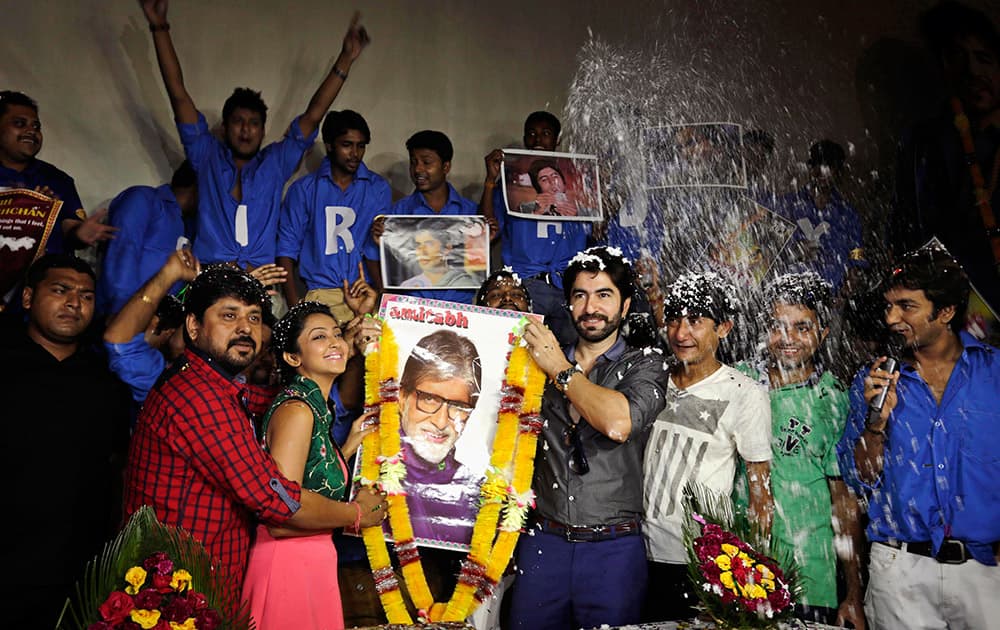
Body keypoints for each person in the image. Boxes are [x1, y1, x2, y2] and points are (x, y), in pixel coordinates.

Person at [123, 265, 387, 602]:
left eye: (254, 317)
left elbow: (295, 394)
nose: (245, 328)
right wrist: (357, 514)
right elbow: (275, 501)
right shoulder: (198, 397)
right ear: (194, 326)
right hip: (176, 594)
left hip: (210, 583)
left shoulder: (227, 390)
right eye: (229, 316)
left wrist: (338, 347)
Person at [837, 246, 1000, 629]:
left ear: (944, 313)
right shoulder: (872, 380)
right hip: (900, 572)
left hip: (986, 573)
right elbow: (858, 478)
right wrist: (876, 423)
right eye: (889, 306)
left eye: (906, 307)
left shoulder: (994, 375)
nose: (891, 318)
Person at [139, 0, 369, 268]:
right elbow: (177, 93)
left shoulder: (276, 162)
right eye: (238, 121)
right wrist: (159, 27)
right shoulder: (207, 155)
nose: (246, 129)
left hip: (261, 283)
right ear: (224, 127)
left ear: (262, 130)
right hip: (211, 280)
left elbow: (314, 113)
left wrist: (345, 60)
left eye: (254, 123)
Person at [509, 246, 668, 629]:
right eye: (580, 295)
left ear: (625, 305)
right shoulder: (533, 362)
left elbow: (618, 423)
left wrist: (560, 370)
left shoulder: (646, 362)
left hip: (614, 549)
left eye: (603, 295)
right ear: (567, 303)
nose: (590, 307)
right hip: (544, 542)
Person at [0, 254, 129, 627]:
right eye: (60, 290)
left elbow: (117, 467)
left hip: (76, 573)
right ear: (27, 298)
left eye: (86, 296)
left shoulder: (105, 383)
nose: (74, 302)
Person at [736, 273, 866, 628]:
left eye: (802, 328)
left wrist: (852, 593)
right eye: (778, 327)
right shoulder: (741, 381)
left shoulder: (832, 399)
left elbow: (844, 502)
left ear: (822, 333)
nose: (787, 339)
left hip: (812, 579)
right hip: (739, 572)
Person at [642, 271, 773, 622]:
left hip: (703, 562)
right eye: (673, 319)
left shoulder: (744, 393)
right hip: (638, 553)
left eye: (696, 321)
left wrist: (751, 578)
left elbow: (761, 494)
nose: (681, 333)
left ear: (724, 328)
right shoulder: (650, 381)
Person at [242, 301, 379, 628]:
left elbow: (305, 480)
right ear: (293, 358)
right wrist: (358, 513)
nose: (335, 342)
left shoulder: (314, 408)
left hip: (310, 558)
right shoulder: (297, 410)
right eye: (319, 337)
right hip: (288, 562)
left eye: (336, 334)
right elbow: (281, 511)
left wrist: (346, 448)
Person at [894, 0, 1000, 312]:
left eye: (983, 58)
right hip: (953, 305)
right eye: (957, 58)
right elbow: (906, 223)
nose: (972, 71)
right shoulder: (922, 141)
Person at [480, 111, 590, 345]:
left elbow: (597, 235)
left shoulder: (580, 192)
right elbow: (487, 232)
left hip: (567, 284)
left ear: (557, 139)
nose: (538, 139)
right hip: (526, 283)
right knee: (520, 353)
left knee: (570, 354)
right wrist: (490, 181)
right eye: (531, 134)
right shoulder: (512, 189)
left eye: (546, 134)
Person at [0, 91, 116, 309]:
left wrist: (80, 234)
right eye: (19, 123)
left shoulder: (57, 179)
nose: (30, 131)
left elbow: (70, 229)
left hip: (39, 301)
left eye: (36, 126)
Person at [277, 109, 391, 322]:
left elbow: (374, 249)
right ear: (330, 145)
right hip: (321, 295)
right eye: (347, 145)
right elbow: (287, 248)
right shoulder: (305, 189)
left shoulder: (378, 188)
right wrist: (294, 306)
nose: (355, 153)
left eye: (361, 145)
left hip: (364, 293)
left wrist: (383, 298)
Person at [371, 130, 480, 303]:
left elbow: (476, 265)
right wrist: (383, 244)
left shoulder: (470, 212)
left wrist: (484, 238)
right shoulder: (399, 211)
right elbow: (396, 264)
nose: (418, 169)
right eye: (413, 162)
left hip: (459, 309)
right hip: (413, 309)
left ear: (446, 167)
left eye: (426, 162)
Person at [98, 160, 198, 316]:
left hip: (159, 331)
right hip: (121, 323)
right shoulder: (144, 199)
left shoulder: (195, 227)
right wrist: (127, 321)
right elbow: (121, 264)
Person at [773, 140, 866, 296]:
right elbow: (773, 232)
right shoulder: (787, 204)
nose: (822, 173)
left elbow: (857, 249)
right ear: (810, 169)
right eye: (817, 167)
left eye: (829, 167)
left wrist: (854, 271)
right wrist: (793, 247)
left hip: (834, 293)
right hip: (794, 293)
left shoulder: (847, 213)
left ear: (839, 172)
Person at [398, 221, 479, 290]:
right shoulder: (407, 286)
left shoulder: (464, 284)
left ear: (447, 248)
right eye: (418, 245)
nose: (422, 251)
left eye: (429, 244)